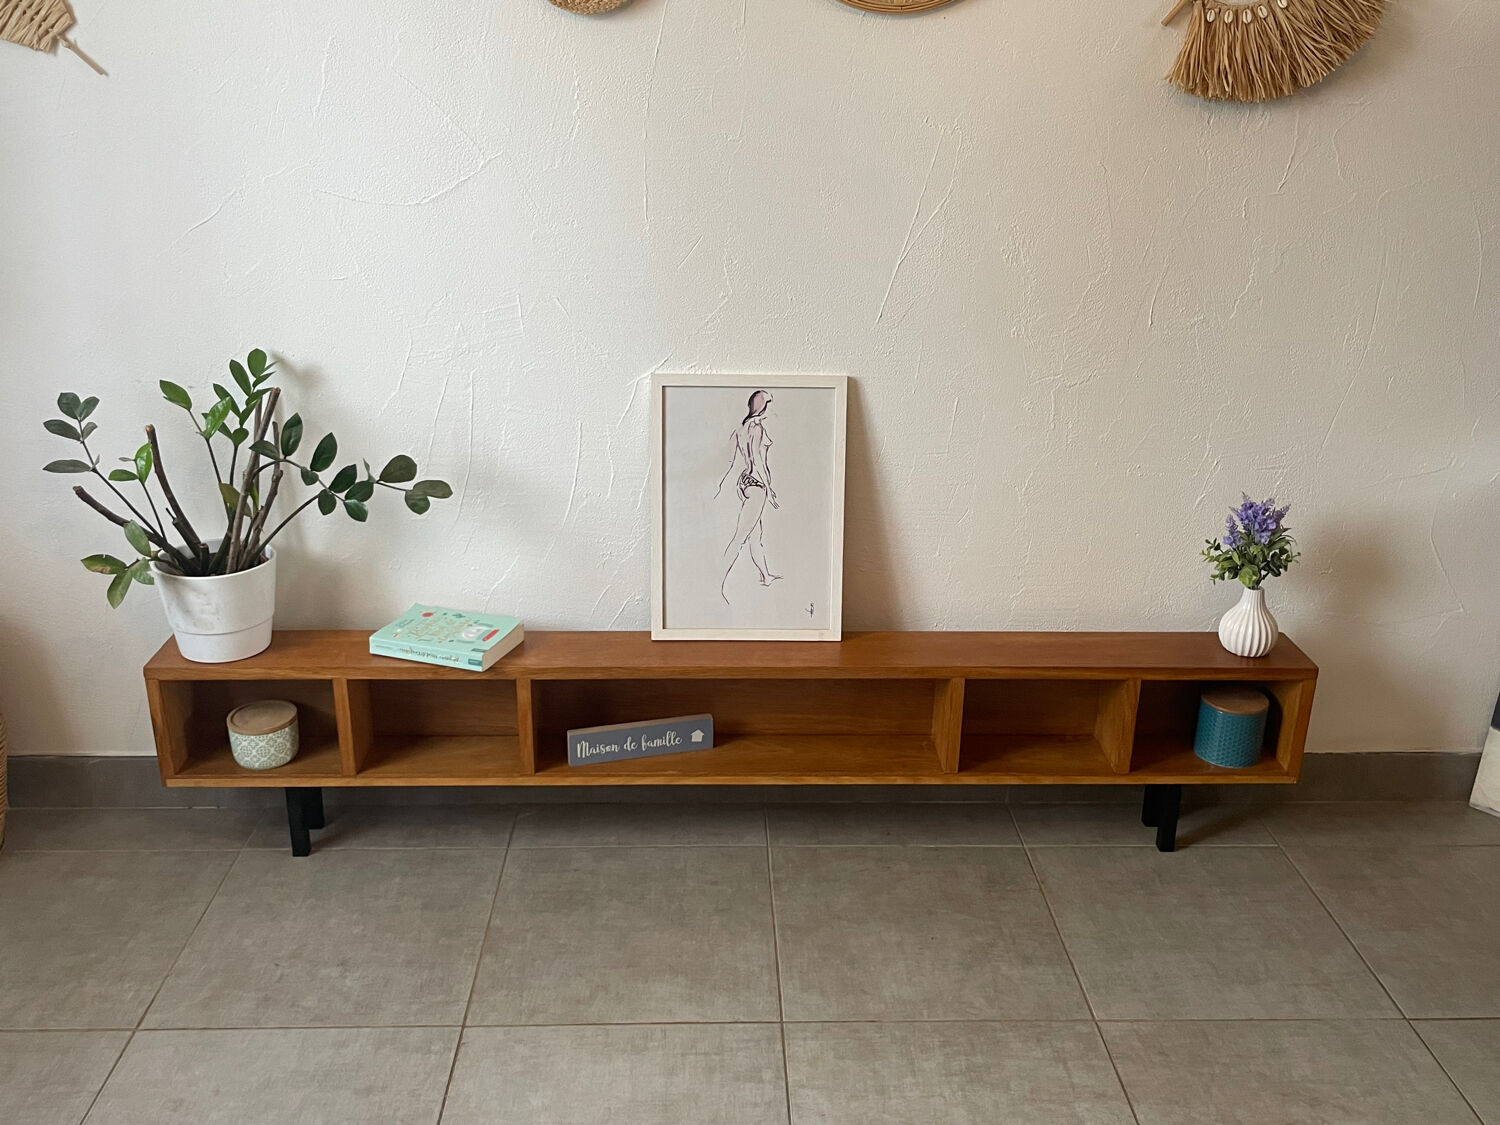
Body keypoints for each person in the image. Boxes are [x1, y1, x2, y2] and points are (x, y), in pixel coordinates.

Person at [714, 389, 781, 602]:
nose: (772, 409)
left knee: (755, 536)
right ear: (763, 407)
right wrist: (769, 490)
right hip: (757, 485)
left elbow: (736, 460)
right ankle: (716, 583)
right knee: (740, 538)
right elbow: (757, 461)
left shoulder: (743, 427)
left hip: (745, 483)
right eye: (770, 404)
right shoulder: (757, 427)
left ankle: (766, 575)